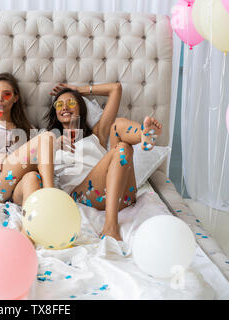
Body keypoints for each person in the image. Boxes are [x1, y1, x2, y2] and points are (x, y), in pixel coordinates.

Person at [46, 82, 163, 241]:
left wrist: (78, 90)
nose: (65, 107)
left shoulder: (96, 135)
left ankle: (144, 136)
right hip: (84, 195)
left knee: (118, 125)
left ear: (81, 108)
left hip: (123, 194)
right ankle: (110, 226)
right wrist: (54, 144)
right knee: (122, 148)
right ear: (56, 112)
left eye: (71, 102)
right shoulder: (49, 141)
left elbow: (116, 88)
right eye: (59, 104)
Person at [0, 72, 56, 206]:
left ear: (15, 98)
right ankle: (52, 198)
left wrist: (6, 156)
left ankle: (29, 225)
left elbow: (38, 165)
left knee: (32, 177)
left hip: (15, 189)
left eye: (6, 94)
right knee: (47, 137)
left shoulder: (27, 128)